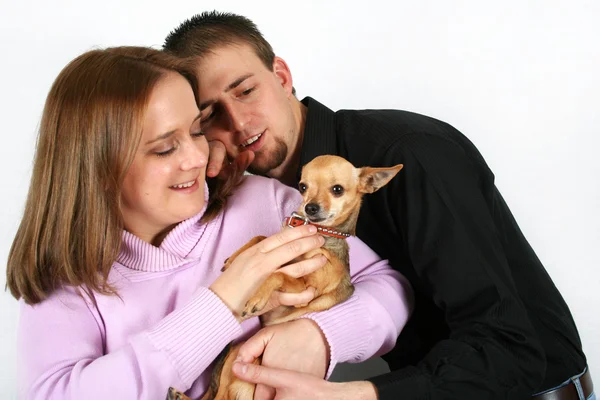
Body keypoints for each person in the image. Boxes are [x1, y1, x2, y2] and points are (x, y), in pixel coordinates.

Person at [162, 11, 594, 400]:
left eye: (246, 91)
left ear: (281, 75)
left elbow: (510, 348)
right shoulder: (264, 196)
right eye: (211, 115)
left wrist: (355, 395)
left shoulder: (412, 153)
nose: (238, 123)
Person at [6, 46, 413, 399]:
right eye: (165, 148)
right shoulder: (67, 276)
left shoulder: (266, 202)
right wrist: (224, 300)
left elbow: (385, 284)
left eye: (198, 130)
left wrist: (321, 336)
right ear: (97, 167)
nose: (198, 158)